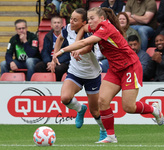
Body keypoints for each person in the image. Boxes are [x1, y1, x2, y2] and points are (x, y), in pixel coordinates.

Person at [53, 7, 164, 143]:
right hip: (115, 69)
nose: (90, 21)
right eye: (89, 19)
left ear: (101, 18)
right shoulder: (94, 26)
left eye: (92, 18)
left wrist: (62, 51)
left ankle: (154, 109)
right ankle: (111, 136)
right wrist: (77, 40)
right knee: (102, 101)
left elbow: (85, 42)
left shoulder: (105, 28)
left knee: (129, 107)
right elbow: (83, 30)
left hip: (130, 67)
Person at [50, 8, 107, 142]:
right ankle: (80, 109)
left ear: (84, 22)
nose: (72, 22)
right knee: (65, 98)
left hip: (92, 75)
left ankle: (104, 131)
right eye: (71, 18)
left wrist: (79, 51)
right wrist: (54, 56)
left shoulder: (90, 32)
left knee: (95, 112)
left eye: (75, 20)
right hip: (75, 72)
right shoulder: (68, 28)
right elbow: (60, 39)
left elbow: (87, 47)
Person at [35, 16, 70, 81]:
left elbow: (67, 53)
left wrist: (55, 62)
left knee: (58, 69)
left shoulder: (66, 36)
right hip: (50, 60)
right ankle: (43, 84)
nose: (56, 25)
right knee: (38, 66)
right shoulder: (48, 36)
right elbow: (44, 51)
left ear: (62, 25)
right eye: (55, 23)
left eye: (58, 23)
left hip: (61, 61)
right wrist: (49, 62)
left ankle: (57, 85)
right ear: (51, 25)